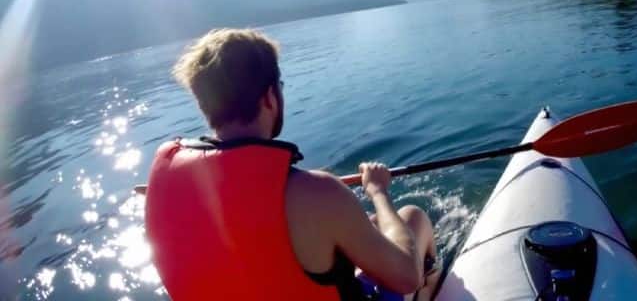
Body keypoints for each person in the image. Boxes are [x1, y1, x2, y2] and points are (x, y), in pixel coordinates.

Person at [144, 28, 439, 301]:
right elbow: (405, 278)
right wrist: (377, 191)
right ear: (270, 97)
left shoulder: (165, 179)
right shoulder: (318, 193)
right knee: (412, 217)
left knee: (369, 228)